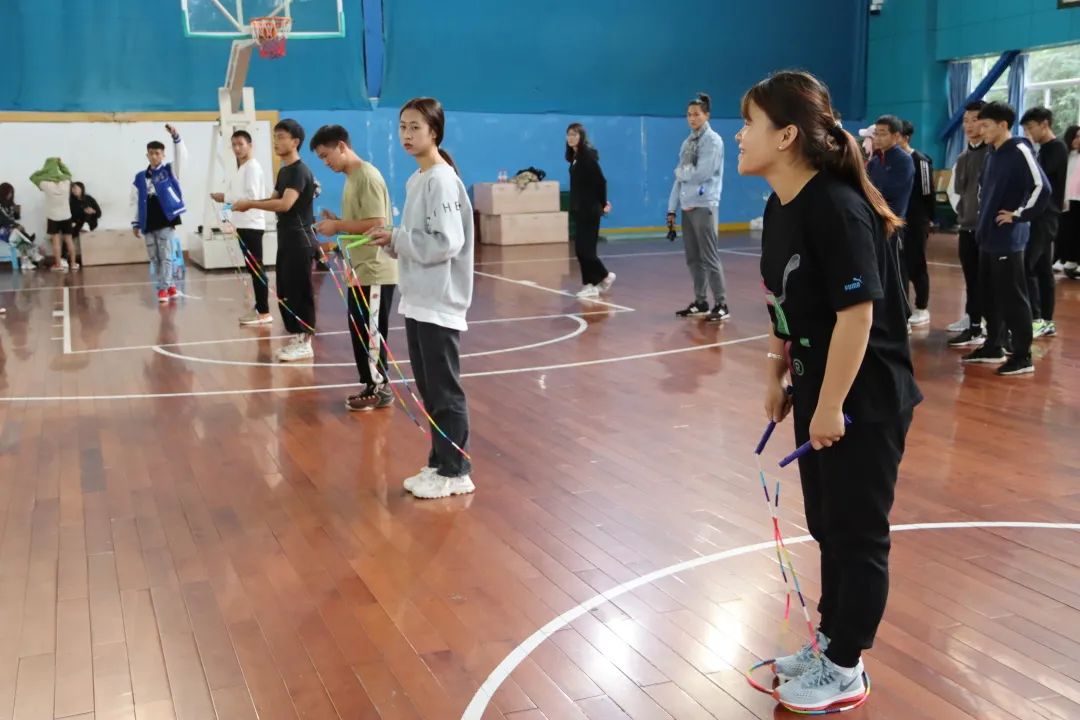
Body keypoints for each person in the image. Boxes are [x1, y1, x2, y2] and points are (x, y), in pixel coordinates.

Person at [736, 70, 921, 712]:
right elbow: (782, 300)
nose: (741, 135)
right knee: (826, 524)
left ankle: (846, 666)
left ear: (787, 135)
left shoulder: (837, 208)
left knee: (856, 533)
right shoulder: (780, 205)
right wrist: (776, 372)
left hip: (864, 399)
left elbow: (857, 317)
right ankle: (831, 642)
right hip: (819, 390)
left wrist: (832, 404)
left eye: (750, 123)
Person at [369, 97, 474, 500]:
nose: (407, 135)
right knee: (430, 390)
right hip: (418, 297)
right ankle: (439, 463)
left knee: (444, 390)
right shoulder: (419, 179)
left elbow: (445, 243)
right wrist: (392, 240)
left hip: (439, 300)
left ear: (434, 131)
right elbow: (420, 239)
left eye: (415, 127)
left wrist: (398, 238)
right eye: (402, 127)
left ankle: (456, 471)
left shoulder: (441, 180)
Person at [310, 124, 398, 411]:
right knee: (361, 330)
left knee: (371, 332)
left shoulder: (367, 176)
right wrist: (338, 222)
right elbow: (361, 224)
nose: (326, 162)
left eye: (326, 155)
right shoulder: (352, 178)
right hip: (359, 270)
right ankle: (371, 385)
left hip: (374, 269)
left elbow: (377, 223)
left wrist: (337, 226)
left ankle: (379, 388)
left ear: (341, 146)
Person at [961, 102, 1050, 376]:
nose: (980, 130)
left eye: (986, 125)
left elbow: (1041, 187)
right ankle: (994, 345)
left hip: (1008, 240)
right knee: (989, 295)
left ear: (1002, 125)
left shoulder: (1020, 150)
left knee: (1013, 298)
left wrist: (1018, 214)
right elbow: (983, 190)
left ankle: (1023, 356)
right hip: (987, 237)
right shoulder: (992, 153)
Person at [233, 119, 318, 362]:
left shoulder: (299, 171)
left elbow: (284, 204)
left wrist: (251, 204)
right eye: (274, 137)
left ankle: (306, 341)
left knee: (300, 290)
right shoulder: (284, 171)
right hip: (286, 239)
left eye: (281, 137)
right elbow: (273, 199)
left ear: (295, 142)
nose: (276, 142)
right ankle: (297, 336)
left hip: (300, 240)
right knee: (286, 289)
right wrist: (246, 203)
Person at [668, 92, 729, 322]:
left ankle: (721, 303)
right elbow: (679, 179)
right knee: (693, 258)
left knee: (709, 257)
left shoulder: (713, 141)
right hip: (687, 206)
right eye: (689, 114)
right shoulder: (687, 143)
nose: (692, 118)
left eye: (696, 114)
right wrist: (671, 209)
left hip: (705, 205)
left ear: (706, 115)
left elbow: (703, 173)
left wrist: (681, 173)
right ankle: (701, 301)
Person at [211, 130, 271, 326]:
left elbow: (251, 198)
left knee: (256, 269)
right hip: (243, 224)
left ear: (250, 145)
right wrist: (226, 201)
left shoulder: (252, 167)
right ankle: (260, 308)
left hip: (252, 224)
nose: (237, 148)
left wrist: (225, 198)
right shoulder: (242, 168)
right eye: (234, 145)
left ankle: (264, 312)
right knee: (253, 268)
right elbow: (238, 196)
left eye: (241, 144)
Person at [1020, 107, 1068, 338]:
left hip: (1046, 216)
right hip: (1040, 215)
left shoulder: (1056, 148)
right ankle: (1046, 320)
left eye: (1030, 128)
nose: (1028, 133)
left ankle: (1037, 319)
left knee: (1027, 265)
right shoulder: (1044, 149)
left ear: (1045, 124)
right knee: (1043, 269)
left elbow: (1038, 177)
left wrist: (1027, 149)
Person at [945, 101, 991, 344]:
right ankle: (973, 323)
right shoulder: (962, 157)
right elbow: (954, 192)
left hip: (990, 230)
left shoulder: (994, 154)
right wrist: (965, 212)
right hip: (967, 228)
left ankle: (993, 327)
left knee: (990, 280)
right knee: (971, 279)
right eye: (965, 121)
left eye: (975, 120)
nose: (969, 125)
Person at [132, 124, 187, 302]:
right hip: (148, 220)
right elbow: (135, 200)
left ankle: (163, 288)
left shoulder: (170, 170)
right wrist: (135, 222)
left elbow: (182, 157)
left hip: (165, 218)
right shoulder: (140, 177)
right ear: (147, 155)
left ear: (163, 155)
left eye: (158, 153)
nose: (154, 156)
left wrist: (176, 137)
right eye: (151, 153)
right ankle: (169, 285)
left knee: (166, 254)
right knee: (154, 256)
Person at [566, 123, 615, 298]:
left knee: (586, 250)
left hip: (590, 209)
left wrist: (603, 203)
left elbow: (601, 181)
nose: (571, 138)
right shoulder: (575, 157)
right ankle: (589, 284)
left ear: (581, 136)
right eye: (569, 134)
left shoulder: (586, 156)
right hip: (580, 209)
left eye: (575, 134)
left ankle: (605, 276)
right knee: (581, 250)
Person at [899, 120, 934, 326]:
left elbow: (928, 193)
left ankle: (922, 307)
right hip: (899, 222)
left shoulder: (920, 160)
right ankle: (903, 308)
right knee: (901, 266)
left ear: (905, 138)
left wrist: (928, 219)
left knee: (917, 264)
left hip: (917, 221)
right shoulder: (891, 160)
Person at [31, 157, 77, 272]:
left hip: (53, 217)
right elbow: (68, 173)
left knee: (56, 242)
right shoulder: (66, 181)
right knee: (69, 240)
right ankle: (73, 264)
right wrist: (60, 163)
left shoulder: (45, 183)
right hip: (66, 216)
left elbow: (33, 177)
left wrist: (44, 171)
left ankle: (58, 265)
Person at [0, 182, 43, 270]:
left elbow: (14, 218)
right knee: (16, 232)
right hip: (2, 230)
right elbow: (3, 220)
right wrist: (15, 225)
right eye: (8, 193)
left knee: (17, 235)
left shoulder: (10, 205)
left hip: (12, 231)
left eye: (11, 193)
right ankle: (30, 254)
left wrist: (16, 212)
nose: (10, 195)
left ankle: (26, 260)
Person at [68, 181, 101, 265]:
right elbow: (70, 215)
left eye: (76, 188)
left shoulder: (89, 199)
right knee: (67, 236)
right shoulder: (71, 201)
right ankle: (64, 258)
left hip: (90, 223)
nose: (74, 190)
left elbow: (99, 213)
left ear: (81, 189)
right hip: (78, 223)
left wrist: (93, 211)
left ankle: (85, 225)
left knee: (87, 211)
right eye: (72, 188)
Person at [1063, 125, 1080, 280]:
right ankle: (1069, 260)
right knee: (1069, 231)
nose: (1077, 140)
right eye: (1075, 136)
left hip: (1078, 198)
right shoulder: (1067, 156)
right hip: (1069, 199)